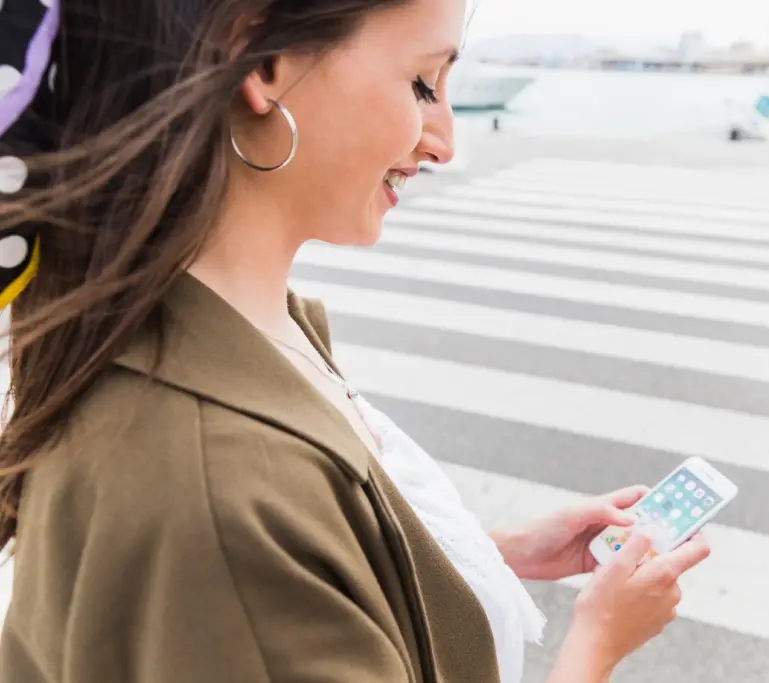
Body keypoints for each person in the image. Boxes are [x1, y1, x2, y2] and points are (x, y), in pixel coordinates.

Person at [0, 1, 711, 682]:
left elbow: (292, 596)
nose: (444, 142)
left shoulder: (226, 333)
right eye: (422, 83)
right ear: (264, 60)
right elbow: (249, 585)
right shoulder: (220, 482)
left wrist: (483, 556)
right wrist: (598, 643)